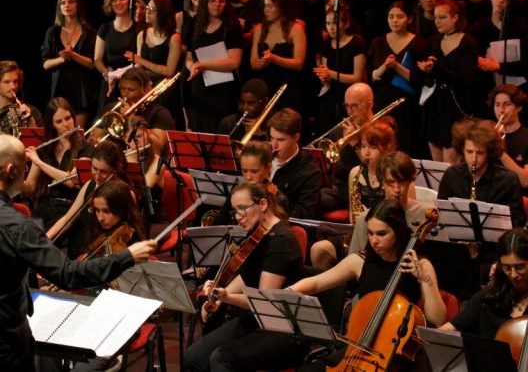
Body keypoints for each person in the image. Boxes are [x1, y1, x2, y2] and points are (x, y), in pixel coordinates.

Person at [0, 134, 157, 371]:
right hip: (0, 347)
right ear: (11, 170)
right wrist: (127, 256)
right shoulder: (15, 225)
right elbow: (69, 275)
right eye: (24, 166)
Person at [290, 200, 448, 357]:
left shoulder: (420, 265)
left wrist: (425, 280)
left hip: (396, 352)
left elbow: (438, 319)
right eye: (370, 233)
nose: (374, 240)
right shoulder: (361, 261)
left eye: (381, 234)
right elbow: (316, 282)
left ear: (398, 231)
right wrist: (287, 292)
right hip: (362, 343)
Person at [184, 182, 304, 371]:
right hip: (256, 319)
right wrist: (216, 296)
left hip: (282, 327)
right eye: (235, 211)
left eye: (242, 209)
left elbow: (265, 302)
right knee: (194, 356)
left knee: (221, 359)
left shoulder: (281, 242)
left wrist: (227, 297)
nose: (238, 217)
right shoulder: (258, 235)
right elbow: (247, 276)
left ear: (263, 204)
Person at [416, 0, 477, 163]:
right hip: (434, 107)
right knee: (436, 163)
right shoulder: (433, 41)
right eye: (435, 17)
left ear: (455, 17)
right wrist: (427, 70)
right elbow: (426, 77)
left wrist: (436, 68)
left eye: (442, 17)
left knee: (450, 164)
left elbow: (464, 79)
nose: (437, 22)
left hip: (455, 108)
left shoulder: (468, 42)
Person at [46, 140, 131, 258]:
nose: (97, 176)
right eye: (94, 169)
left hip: (101, 259)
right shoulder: (89, 186)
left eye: (104, 172)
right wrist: (45, 239)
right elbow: (67, 219)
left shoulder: (123, 193)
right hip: (77, 257)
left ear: (115, 171)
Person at [440, 227, 528, 338]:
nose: (513, 274)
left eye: (520, 267)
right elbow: (450, 327)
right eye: (507, 267)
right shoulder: (492, 293)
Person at [437, 117, 525, 226]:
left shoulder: (508, 180)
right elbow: (441, 215)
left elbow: (517, 222)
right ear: (462, 149)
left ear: (489, 152)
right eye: (469, 152)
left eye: (479, 153)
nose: (473, 159)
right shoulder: (451, 175)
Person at [22, 97, 92, 230]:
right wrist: (15, 174)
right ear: (52, 124)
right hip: (45, 207)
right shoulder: (45, 149)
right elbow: (30, 188)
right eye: (59, 121)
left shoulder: (86, 148)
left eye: (68, 118)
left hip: (71, 209)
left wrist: (38, 161)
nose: (66, 125)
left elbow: (71, 180)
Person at [367, 0, 426, 155]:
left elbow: (418, 79)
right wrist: (384, 67)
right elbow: (371, 76)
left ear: (410, 19)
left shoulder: (418, 43)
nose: (394, 20)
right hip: (382, 102)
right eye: (391, 16)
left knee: (405, 146)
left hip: (407, 105)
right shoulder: (377, 42)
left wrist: (396, 67)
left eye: (400, 16)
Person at [184, 0, 244, 132]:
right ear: (206, 1)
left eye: (221, 1)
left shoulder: (231, 25)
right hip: (199, 88)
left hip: (222, 91)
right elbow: (189, 57)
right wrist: (193, 67)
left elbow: (234, 61)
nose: (217, 5)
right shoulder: (196, 22)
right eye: (213, 1)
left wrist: (204, 65)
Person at [41, 0, 99, 129]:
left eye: (71, 2)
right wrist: (62, 59)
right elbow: (46, 64)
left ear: (78, 5)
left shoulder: (89, 31)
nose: (66, 6)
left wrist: (73, 55)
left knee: (78, 134)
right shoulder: (53, 32)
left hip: (81, 90)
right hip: (60, 89)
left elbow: (92, 64)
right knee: (61, 133)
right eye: (63, 3)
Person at [470, 0, 528, 119]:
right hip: (488, 97)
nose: (501, 1)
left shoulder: (522, 28)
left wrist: (497, 66)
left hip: (518, 96)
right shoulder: (477, 30)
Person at [317, 83, 374, 215]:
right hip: (340, 188)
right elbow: (329, 163)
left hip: (367, 190)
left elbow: (375, 168)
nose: (349, 112)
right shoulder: (339, 131)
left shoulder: (380, 131)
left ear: (369, 105)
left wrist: (354, 142)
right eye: (346, 106)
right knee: (311, 198)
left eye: (354, 106)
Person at [125, 0, 182, 120]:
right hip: (145, 88)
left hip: (165, 90)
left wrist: (141, 61)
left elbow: (169, 70)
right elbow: (138, 66)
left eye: (151, 10)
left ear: (162, 13)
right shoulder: (142, 35)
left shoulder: (174, 38)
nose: (146, 12)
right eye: (147, 8)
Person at [250, 0, 306, 112]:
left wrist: (275, 59)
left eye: (270, 6)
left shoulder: (295, 29)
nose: (266, 10)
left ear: (281, 6)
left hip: (287, 88)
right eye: (265, 6)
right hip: (264, 89)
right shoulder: (260, 28)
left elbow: (299, 63)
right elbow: (253, 62)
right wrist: (264, 62)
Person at [314, 4, 367, 135]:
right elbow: (326, 80)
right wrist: (324, 77)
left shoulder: (356, 42)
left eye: (335, 23)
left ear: (346, 23)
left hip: (351, 99)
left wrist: (330, 74)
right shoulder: (326, 44)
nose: (331, 27)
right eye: (327, 23)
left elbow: (357, 77)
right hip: (330, 99)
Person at [268, 108, 322, 219]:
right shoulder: (264, 154)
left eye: (281, 140)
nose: (274, 145)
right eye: (272, 138)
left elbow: (303, 212)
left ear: (296, 138)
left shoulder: (310, 170)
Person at [94, 0, 140, 112]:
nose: (118, 3)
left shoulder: (139, 28)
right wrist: (107, 73)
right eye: (114, 0)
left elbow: (141, 60)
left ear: (129, 1)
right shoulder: (105, 28)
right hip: (110, 83)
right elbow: (97, 59)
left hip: (131, 84)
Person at [114, 67, 176, 152]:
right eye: (122, 88)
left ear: (145, 89)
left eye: (130, 90)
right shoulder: (114, 109)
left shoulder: (160, 113)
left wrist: (132, 118)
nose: (125, 94)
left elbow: (158, 147)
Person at [0, 60, 43, 134]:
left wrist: (31, 121)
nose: (13, 87)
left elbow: (39, 144)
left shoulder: (33, 112)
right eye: (7, 82)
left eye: (15, 81)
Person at [491, 84, 528, 188]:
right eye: (497, 105)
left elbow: (526, 181)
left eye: (507, 104)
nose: (501, 110)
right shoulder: (488, 134)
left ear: (519, 107)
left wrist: (501, 153)